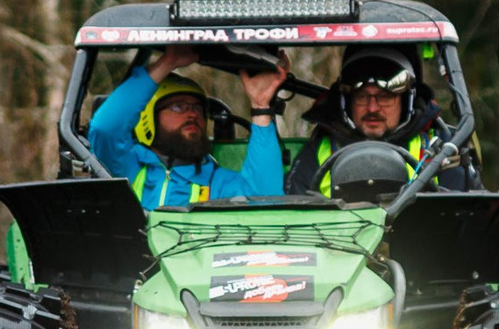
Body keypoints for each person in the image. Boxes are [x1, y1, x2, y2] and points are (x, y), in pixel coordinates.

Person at [87, 45, 290, 207]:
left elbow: (265, 197)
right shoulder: (125, 167)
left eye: (198, 109)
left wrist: (261, 106)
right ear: (148, 118)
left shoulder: (217, 182)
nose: (192, 114)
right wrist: (167, 62)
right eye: (178, 107)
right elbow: (104, 128)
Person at [285, 45, 478, 197]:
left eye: (385, 97)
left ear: (406, 100)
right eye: (362, 96)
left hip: (421, 246)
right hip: (335, 246)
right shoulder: (318, 151)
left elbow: (465, 223)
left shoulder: (443, 150)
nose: (372, 108)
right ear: (348, 100)